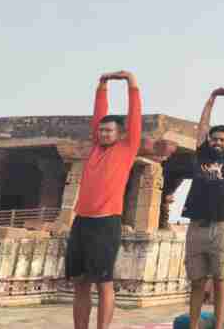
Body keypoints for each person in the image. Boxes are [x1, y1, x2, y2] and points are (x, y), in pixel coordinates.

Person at [66, 71, 141, 329]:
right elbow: (98, 113)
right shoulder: (96, 148)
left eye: (109, 130)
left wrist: (131, 82)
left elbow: (134, 116)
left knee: (103, 283)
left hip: (106, 223)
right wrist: (102, 85)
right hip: (81, 222)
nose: (103, 133)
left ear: (120, 133)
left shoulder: (127, 148)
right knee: (80, 282)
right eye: (101, 130)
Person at [182, 88, 224, 329]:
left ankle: (218, 326)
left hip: (220, 228)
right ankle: (193, 325)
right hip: (196, 227)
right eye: (214, 139)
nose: (217, 142)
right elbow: (202, 127)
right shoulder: (202, 154)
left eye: (222, 140)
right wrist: (210, 100)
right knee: (197, 282)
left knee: (220, 280)